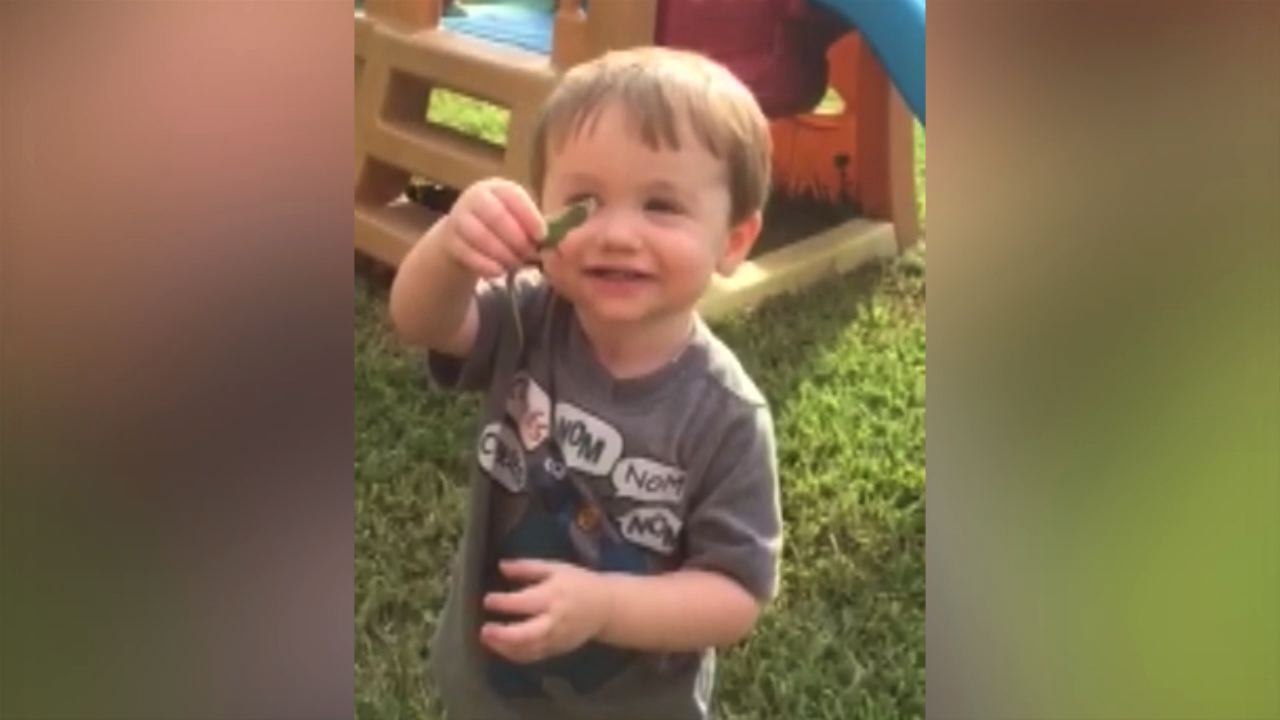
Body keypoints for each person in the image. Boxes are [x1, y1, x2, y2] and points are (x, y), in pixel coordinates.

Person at [388, 46, 781, 720]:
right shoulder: (527, 314)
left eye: (661, 205)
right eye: (584, 202)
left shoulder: (725, 415)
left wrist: (605, 608)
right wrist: (453, 246)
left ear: (734, 240)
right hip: (491, 681)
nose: (616, 233)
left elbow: (734, 595)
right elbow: (421, 320)